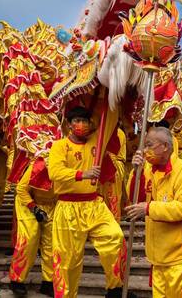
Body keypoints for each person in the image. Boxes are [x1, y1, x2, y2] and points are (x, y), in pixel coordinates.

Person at [48, 106, 131, 297]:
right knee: (68, 261)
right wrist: (82, 174)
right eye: (77, 121)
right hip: (68, 208)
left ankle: (114, 287)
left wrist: (110, 91)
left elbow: (109, 117)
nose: (81, 125)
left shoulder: (97, 140)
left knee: (115, 237)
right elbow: (55, 172)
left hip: (94, 205)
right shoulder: (59, 146)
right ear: (68, 125)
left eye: (85, 121)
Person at [126, 126, 182, 297]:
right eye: (144, 146)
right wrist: (136, 172)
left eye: (149, 145)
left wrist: (149, 208)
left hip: (179, 253)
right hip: (157, 255)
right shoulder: (147, 169)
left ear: (165, 146)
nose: (145, 150)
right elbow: (135, 198)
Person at [8, 158, 56, 296]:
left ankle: (48, 282)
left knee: (51, 244)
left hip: (51, 204)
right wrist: (34, 208)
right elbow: (21, 189)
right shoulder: (40, 164)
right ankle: (16, 280)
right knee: (29, 240)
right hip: (28, 202)